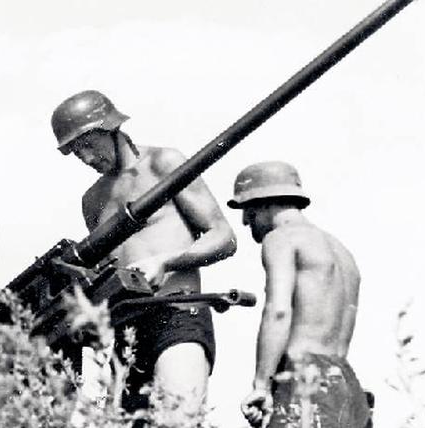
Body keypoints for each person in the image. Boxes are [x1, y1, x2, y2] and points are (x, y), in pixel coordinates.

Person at [51, 90, 237, 421]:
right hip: (126, 332)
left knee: (179, 418)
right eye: (77, 153)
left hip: (176, 311)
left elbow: (223, 237)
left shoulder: (163, 163)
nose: (87, 158)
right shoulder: (92, 200)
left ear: (110, 127)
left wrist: (165, 261)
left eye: (89, 145)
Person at [231, 161, 369, 428]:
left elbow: (278, 311)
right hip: (346, 386)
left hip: (302, 378)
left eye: (247, 210)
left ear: (263, 203)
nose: (245, 220)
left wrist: (261, 385)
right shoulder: (342, 253)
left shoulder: (281, 239)